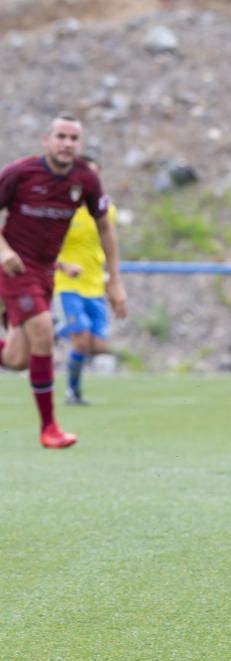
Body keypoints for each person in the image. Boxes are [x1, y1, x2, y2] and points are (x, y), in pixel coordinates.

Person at [0, 113, 127, 448]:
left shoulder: (85, 180)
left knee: (16, 360)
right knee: (44, 330)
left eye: (74, 138)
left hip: (45, 272)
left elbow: (105, 227)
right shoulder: (20, 172)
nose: (68, 144)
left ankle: (49, 424)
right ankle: (50, 428)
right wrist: (2, 249)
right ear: (47, 140)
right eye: (61, 137)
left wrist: (115, 280)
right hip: (15, 269)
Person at [54, 154, 118, 406]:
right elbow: (44, 246)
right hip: (67, 285)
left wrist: (111, 278)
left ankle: (56, 330)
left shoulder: (107, 210)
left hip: (94, 285)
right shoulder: (61, 209)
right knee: (80, 341)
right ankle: (73, 392)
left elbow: (107, 242)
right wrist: (62, 264)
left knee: (98, 345)